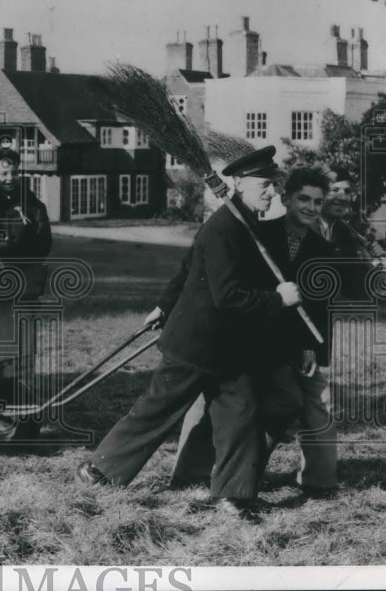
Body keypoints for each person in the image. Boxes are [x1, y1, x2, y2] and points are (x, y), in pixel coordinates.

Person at [75, 145, 302, 521]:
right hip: (197, 343)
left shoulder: (245, 224)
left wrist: (163, 304)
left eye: (274, 186)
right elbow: (227, 295)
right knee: (158, 410)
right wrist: (278, 299)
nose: (272, 193)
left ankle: (233, 497)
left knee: (241, 414)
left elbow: (186, 268)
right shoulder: (225, 228)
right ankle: (99, 471)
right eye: (266, 185)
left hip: (231, 347)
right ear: (241, 184)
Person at [169, 167, 337, 495]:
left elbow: (320, 307)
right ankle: (188, 474)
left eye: (318, 202)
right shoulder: (256, 232)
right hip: (240, 336)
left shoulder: (322, 250)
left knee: (285, 402)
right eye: (303, 198)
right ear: (285, 198)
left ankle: (246, 470)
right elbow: (197, 269)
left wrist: (311, 348)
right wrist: (165, 305)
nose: (310, 207)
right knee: (211, 405)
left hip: (284, 344)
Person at [0, 148, 52, 297]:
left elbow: (44, 242)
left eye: (14, 172)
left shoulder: (34, 206)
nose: (10, 178)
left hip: (27, 279)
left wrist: (18, 252)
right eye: (4, 174)